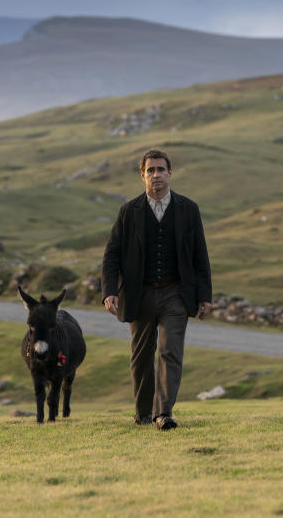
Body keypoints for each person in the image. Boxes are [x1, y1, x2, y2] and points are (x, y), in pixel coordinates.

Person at [101, 148, 212, 430]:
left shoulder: (189, 209)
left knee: (170, 351)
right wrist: (109, 291)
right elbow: (112, 254)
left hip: (176, 293)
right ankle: (143, 413)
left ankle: (164, 413)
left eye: (161, 169)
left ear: (170, 173)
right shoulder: (128, 212)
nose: (156, 175)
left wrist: (204, 296)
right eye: (150, 170)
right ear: (142, 176)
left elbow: (200, 255)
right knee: (141, 356)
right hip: (140, 294)